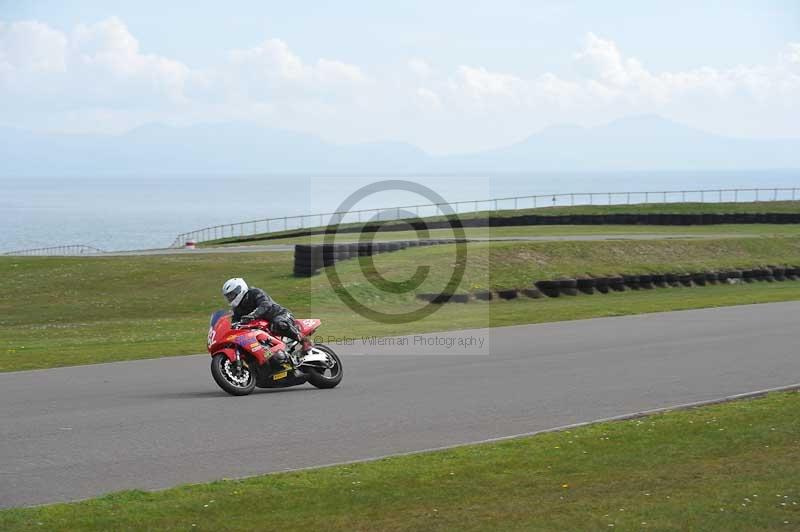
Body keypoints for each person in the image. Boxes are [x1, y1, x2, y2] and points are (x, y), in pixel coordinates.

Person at [221, 278, 312, 361]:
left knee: (278, 323)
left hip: (280, 315)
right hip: (263, 328)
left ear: (240, 289)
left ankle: (304, 341)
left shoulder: (254, 293)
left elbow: (265, 304)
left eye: (231, 295)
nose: (230, 298)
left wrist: (253, 315)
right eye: (228, 296)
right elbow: (234, 323)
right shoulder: (237, 309)